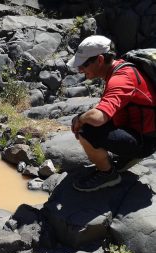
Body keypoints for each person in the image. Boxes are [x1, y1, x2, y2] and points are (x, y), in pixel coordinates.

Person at [67, 35, 156, 192]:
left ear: (100, 60)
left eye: (84, 64)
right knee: (91, 119)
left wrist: (79, 119)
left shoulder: (120, 79)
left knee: (86, 131)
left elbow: (98, 118)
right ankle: (127, 156)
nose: (80, 69)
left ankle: (108, 175)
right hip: (143, 130)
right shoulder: (122, 67)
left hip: (145, 141)